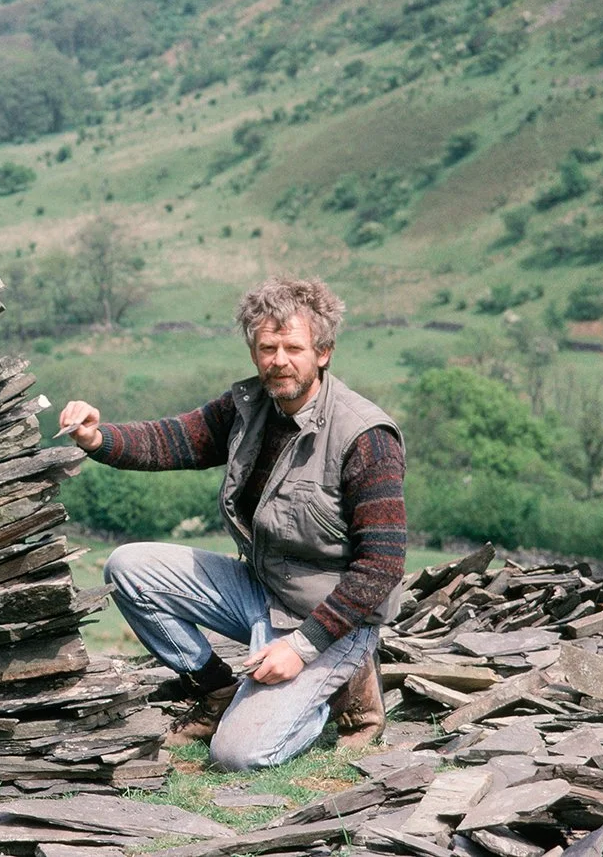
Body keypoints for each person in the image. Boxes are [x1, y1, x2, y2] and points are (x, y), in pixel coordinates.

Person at [58, 276, 405, 771]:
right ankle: (217, 690)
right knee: (128, 567)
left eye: (293, 347)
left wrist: (303, 648)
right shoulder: (250, 407)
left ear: (323, 353)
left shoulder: (365, 437)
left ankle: (337, 692)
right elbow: (175, 440)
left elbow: (383, 565)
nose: (278, 360)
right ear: (253, 349)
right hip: (260, 589)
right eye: (267, 347)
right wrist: (98, 438)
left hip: (328, 618)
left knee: (238, 754)